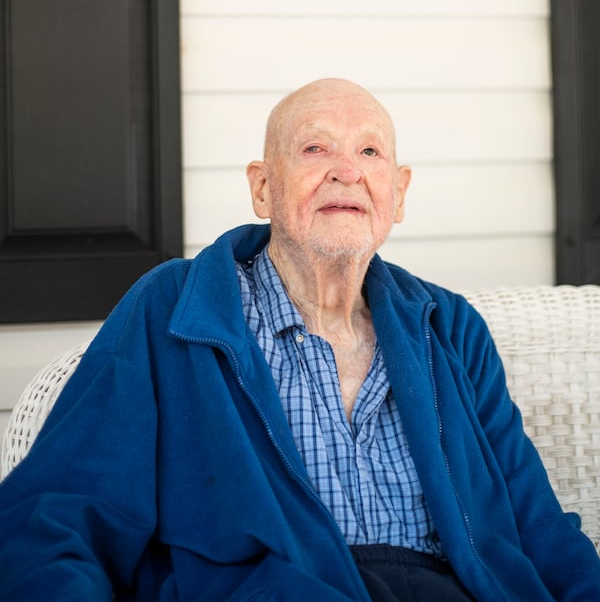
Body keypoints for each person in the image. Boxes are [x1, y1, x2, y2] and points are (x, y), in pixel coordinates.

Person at [0, 77, 598, 602]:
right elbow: (59, 513)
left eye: (370, 151)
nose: (347, 170)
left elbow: (538, 527)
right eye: (315, 148)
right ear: (262, 187)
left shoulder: (452, 326)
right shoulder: (173, 307)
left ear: (399, 191)